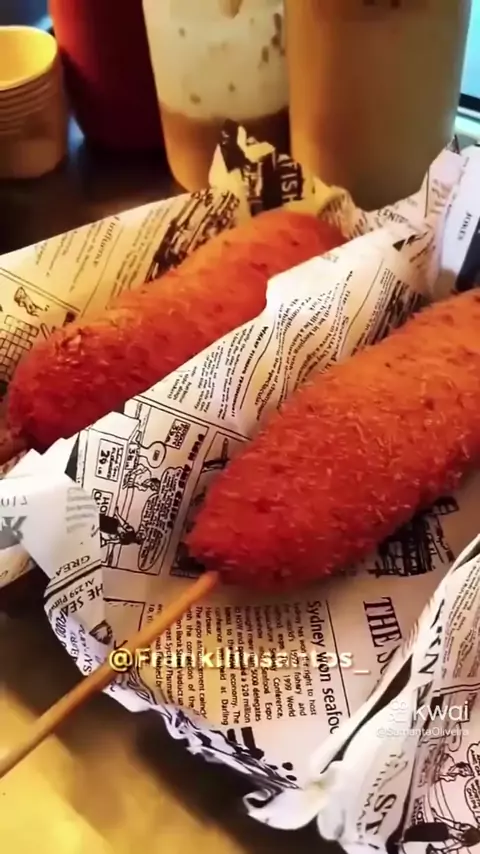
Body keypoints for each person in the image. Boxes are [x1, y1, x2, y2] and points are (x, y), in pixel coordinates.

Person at [402, 807, 480, 852]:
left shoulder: (444, 833)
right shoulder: (446, 829)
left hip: (410, 838)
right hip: (409, 836)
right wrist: (437, 816)